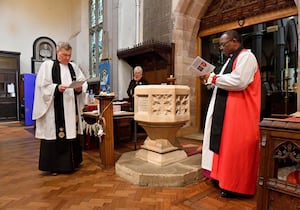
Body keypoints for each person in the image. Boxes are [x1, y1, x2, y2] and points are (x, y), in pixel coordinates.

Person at [200, 30, 261, 198]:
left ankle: (237, 187)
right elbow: (222, 81)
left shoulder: (247, 57)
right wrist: (209, 81)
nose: (221, 48)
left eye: (223, 44)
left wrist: (213, 79)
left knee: (236, 150)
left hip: (240, 114)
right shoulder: (229, 60)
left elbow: (239, 81)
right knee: (224, 148)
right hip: (227, 112)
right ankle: (223, 179)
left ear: (235, 41)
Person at [32, 41, 87, 175]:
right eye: (64, 55)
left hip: (70, 108)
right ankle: (54, 167)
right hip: (54, 110)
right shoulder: (48, 66)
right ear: (57, 53)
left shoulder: (73, 67)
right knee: (55, 134)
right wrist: (56, 88)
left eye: (69, 55)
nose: (67, 58)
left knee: (71, 132)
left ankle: (72, 164)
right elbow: (42, 86)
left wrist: (80, 88)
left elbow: (83, 82)